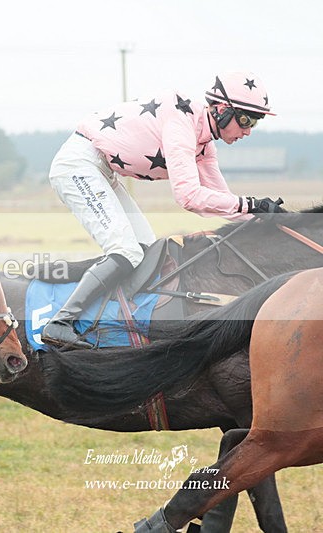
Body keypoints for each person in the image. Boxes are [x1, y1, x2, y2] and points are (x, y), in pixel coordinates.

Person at [41, 71, 286, 349]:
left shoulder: (203, 145)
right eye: (245, 119)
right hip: (79, 164)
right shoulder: (181, 122)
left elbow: (221, 201)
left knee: (146, 250)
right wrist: (252, 205)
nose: (248, 130)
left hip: (103, 171)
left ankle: (108, 315)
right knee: (126, 251)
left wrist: (268, 219)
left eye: (255, 122)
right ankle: (60, 322)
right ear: (221, 110)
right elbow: (188, 196)